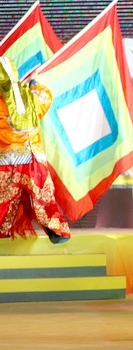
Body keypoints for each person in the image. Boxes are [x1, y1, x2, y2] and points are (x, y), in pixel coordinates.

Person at [0, 56, 70, 243]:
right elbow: (46, 97)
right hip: (33, 158)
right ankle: (57, 231)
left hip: (6, 161)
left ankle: (2, 232)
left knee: (4, 200)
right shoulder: (31, 96)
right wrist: (34, 82)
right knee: (44, 196)